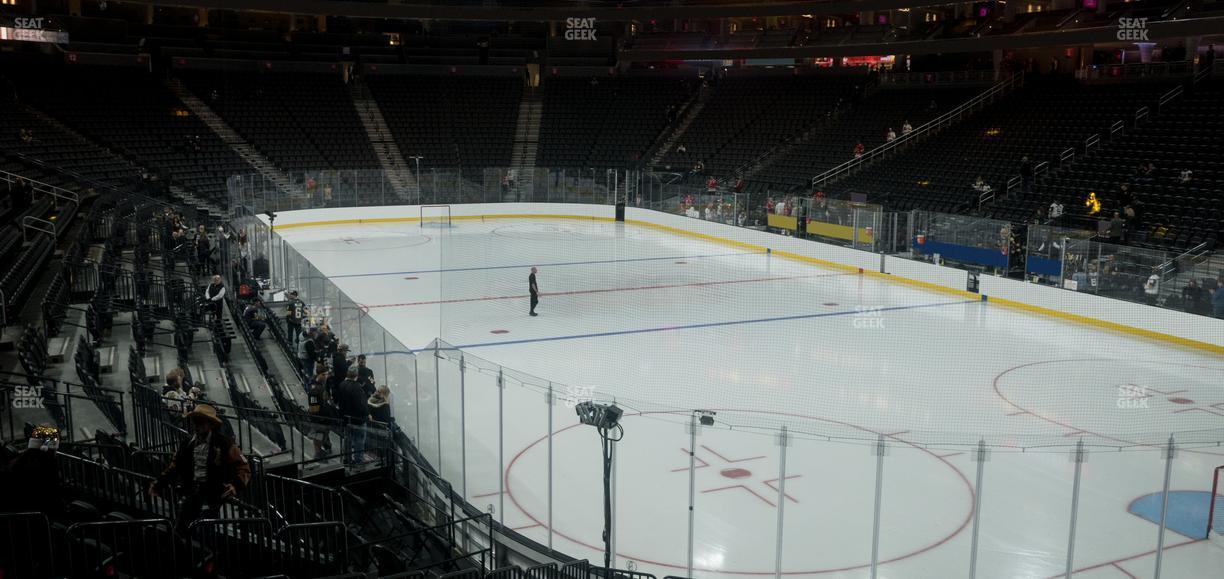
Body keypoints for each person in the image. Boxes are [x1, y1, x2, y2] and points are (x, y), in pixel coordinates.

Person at [149, 405, 250, 535]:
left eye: (201, 422)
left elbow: (243, 467)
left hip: (212, 495)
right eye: (195, 421)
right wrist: (159, 483)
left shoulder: (224, 444)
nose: (197, 425)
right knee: (180, 530)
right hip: (190, 492)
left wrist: (235, 485)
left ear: (210, 424)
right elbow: (175, 466)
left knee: (205, 532)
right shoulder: (187, 444)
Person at [336, 367, 369, 465]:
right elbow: (360, 405)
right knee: (359, 440)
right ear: (356, 375)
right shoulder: (357, 387)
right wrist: (367, 413)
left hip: (346, 418)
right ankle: (358, 460)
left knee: (347, 438)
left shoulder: (341, 384)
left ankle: (347, 458)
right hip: (357, 420)